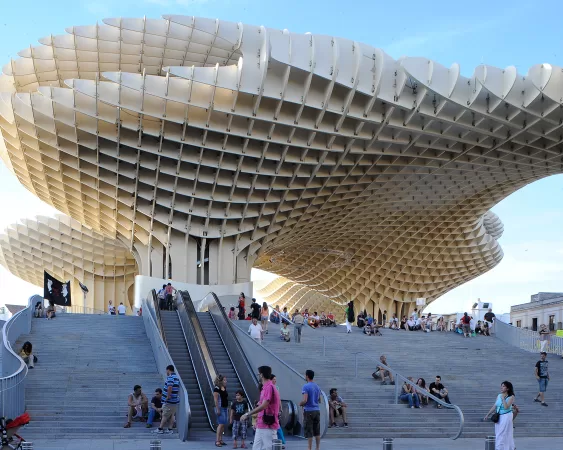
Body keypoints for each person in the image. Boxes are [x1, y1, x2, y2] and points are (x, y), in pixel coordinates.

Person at [240, 365, 280, 450]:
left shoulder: (269, 387)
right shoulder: (265, 387)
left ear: (261, 375)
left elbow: (264, 405)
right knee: (256, 448)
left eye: (259, 374)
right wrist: (257, 421)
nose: (258, 376)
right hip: (262, 424)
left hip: (268, 425)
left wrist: (248, 414)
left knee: (268, 447)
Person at [483, 381, 515, 450]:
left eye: (503, 386)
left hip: (506, 416)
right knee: (498, 433)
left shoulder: (511, 397)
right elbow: (495, 406)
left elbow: (506, 407)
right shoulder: (499, 395)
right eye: (501, 386)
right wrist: (487, 414)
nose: (501, 387)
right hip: (498, 416)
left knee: (501, 433)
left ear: (508, 388)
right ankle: (503, 448)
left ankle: (499, 448)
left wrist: (503, 399)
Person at [153, 365, 180, 434]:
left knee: (164, 415)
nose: (166, 372)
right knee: (172, 415)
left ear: (168, 370)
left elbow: (170, 387)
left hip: (169, 401)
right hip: (174, 400)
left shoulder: (170, 377)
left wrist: (168, 396)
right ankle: (170, 429)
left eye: (166, 371)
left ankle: (160, 429)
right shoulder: (176, 377)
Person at [300, 370, 321, 450]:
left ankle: (309, 448)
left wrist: (301, 403)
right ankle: (317, 448)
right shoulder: (317, 386)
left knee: (309, 431)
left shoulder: (306, 386)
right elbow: (319, 400)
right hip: (317, 410)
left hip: (309, 410)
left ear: (307, 376)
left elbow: (305, 400)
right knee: (317, 431)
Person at [213, 374, 228, 447]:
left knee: (223, 424)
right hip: (220, 407)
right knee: (221, 424)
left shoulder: (224, 387)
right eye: (224, 380)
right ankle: (217, 440)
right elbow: (216, 400)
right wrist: (217, 409)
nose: (226, 381)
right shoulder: (216, 389)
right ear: (221, 381)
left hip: (225, 407)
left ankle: (221, 439)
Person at [271, 375, 286, 448]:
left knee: (277, 426)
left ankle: (281, 442)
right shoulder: (268, 388)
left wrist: (281, 407)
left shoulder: (276, 388)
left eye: (275, 379)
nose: (275, 381)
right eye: (273, 379)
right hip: (270, 410)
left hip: (275, 410)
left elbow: (278, 398)